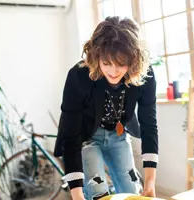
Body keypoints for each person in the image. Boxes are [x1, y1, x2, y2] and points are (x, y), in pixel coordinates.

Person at [53, 16, 159, 200]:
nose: (113, 71)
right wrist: (77, 195)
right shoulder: (78, 76)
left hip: (118, 135)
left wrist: (150, 181)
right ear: (96, 56)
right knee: (98, 192)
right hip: (85, 138)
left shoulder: (145, 74)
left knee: (131, 192)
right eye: (106, 63)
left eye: (121, 64)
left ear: (133, 60)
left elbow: (149, 125)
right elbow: (71, 137)